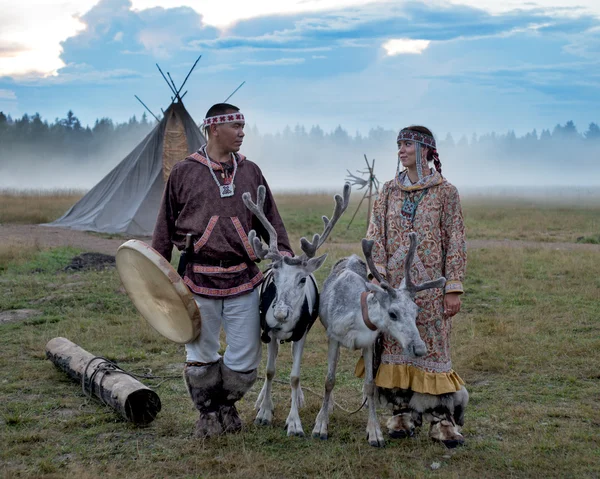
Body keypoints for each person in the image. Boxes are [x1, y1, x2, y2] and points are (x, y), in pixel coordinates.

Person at [152, 103, 293, 438]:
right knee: (200, 352)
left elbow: (270, 218)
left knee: (245, 358)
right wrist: (156, 269)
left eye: (244, 126)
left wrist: (283, 253)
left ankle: (224, 406)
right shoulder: (184, 171)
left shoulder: (251, 171)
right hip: (198, 278)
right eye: (236, 126)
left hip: (244, 277)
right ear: (215, 128)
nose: (242, 133)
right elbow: (164, 224)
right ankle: (209, 414)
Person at [356, 125, 468, 448]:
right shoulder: (389, 191)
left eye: (406, 144)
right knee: (395, 347)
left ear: (425, 149)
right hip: (394, 291)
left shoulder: (446, 192)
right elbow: (375, 233)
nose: (400, 150)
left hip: (431, 291)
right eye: (398, 145)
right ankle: (401, 412)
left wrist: (453, 287)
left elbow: (456, 239)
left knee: (433, 349)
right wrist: (376, 279)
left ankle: (440, 419)